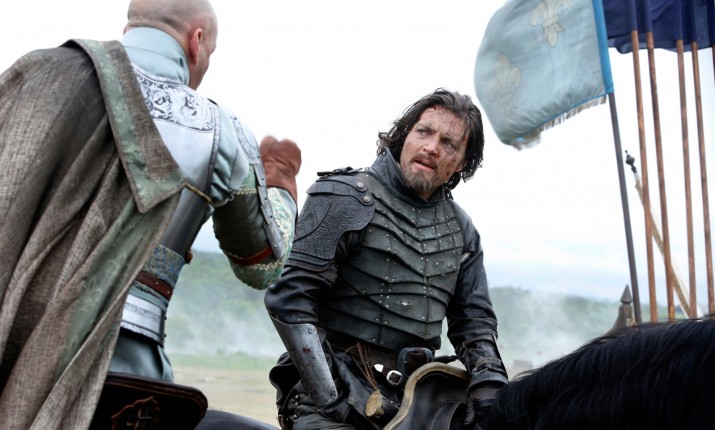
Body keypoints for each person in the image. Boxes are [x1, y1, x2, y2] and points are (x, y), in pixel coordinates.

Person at [0, 0, 299, 428]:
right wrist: (281, 182)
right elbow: (263, 267)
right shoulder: (217, 131)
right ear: (197, 42)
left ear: (129, 29)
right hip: (126, 382)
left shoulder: (34, 75)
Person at [265, 88, 508, 430]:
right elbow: (289, 302)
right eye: (424, 132)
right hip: (328, 400)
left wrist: (490, 388)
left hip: (418, 401)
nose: (431, 147)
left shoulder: (461, 229)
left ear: (462, 163)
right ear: (405, 135)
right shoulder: (344, 197)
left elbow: (474, 323)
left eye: (448, 143)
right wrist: (334, 398)